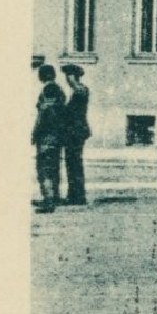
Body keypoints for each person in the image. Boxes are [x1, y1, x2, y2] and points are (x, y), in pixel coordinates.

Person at [32, 65, 66, 214]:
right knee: (53, 166)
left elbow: (44, 113)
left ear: (43, 75)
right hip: (57, 134)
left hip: (46, 134)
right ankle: (54, 196)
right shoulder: (58, 89)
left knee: (44, 168)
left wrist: (34, 131)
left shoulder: (48, 89)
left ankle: (48, 201)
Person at [57, 62, 92, 206]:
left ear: (74, 76)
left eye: (68, 76)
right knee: (73, 163)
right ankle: (74, 195)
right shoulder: (77, 91)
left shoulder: (80, 90)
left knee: (74, 164)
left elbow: (72, 113)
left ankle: (77, 196)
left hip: (76, 132)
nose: (67, 79)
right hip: (74, 132)